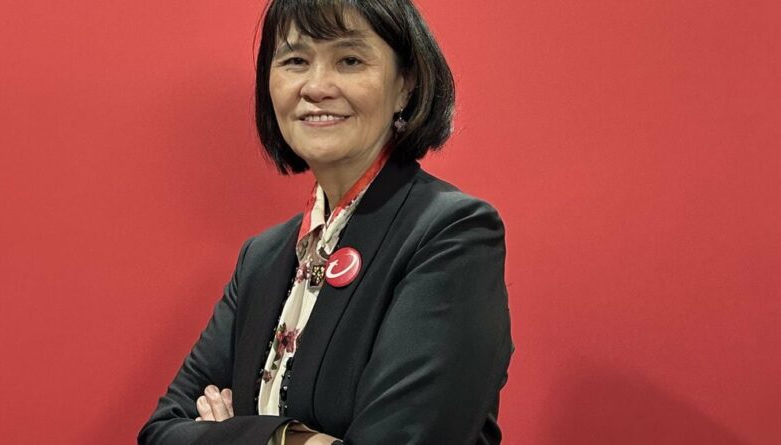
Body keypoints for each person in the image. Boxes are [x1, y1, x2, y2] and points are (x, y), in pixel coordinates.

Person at [137, 0, 512, 443]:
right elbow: (161, 432)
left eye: (349, 60)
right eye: (295, 61)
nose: (316, 87)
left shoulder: (451, 234)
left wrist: (242, 435)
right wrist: (295, 438)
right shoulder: (262, 258)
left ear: (405, 85)